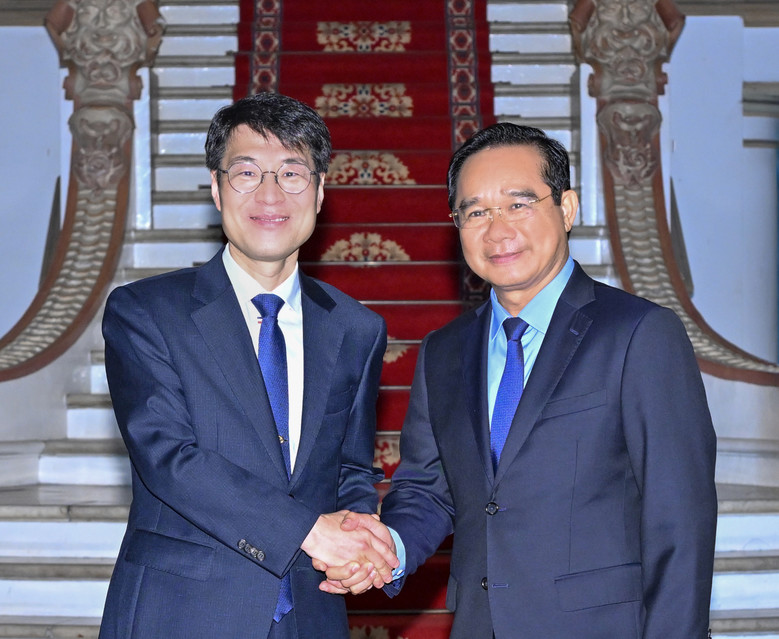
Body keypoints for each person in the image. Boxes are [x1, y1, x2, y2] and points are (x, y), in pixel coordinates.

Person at [321, 123, 718, 638]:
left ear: (567, 209)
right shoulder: (444, 351)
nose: (497, 230)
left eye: (518, 204)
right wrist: (386, 549)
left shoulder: (639, 333)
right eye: (475, 212)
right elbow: (428, 490)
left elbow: (680, 517)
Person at [98, 92, 398, 639]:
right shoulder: (146, 311)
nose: (270, 193)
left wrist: (357, 542)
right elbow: (169, 458)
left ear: (320, 192)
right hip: (183, 613)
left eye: (292, 173)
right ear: (216, 189)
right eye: (246, 173)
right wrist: (311, 531)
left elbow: (350, 468)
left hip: (312, 614)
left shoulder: (357, 328)